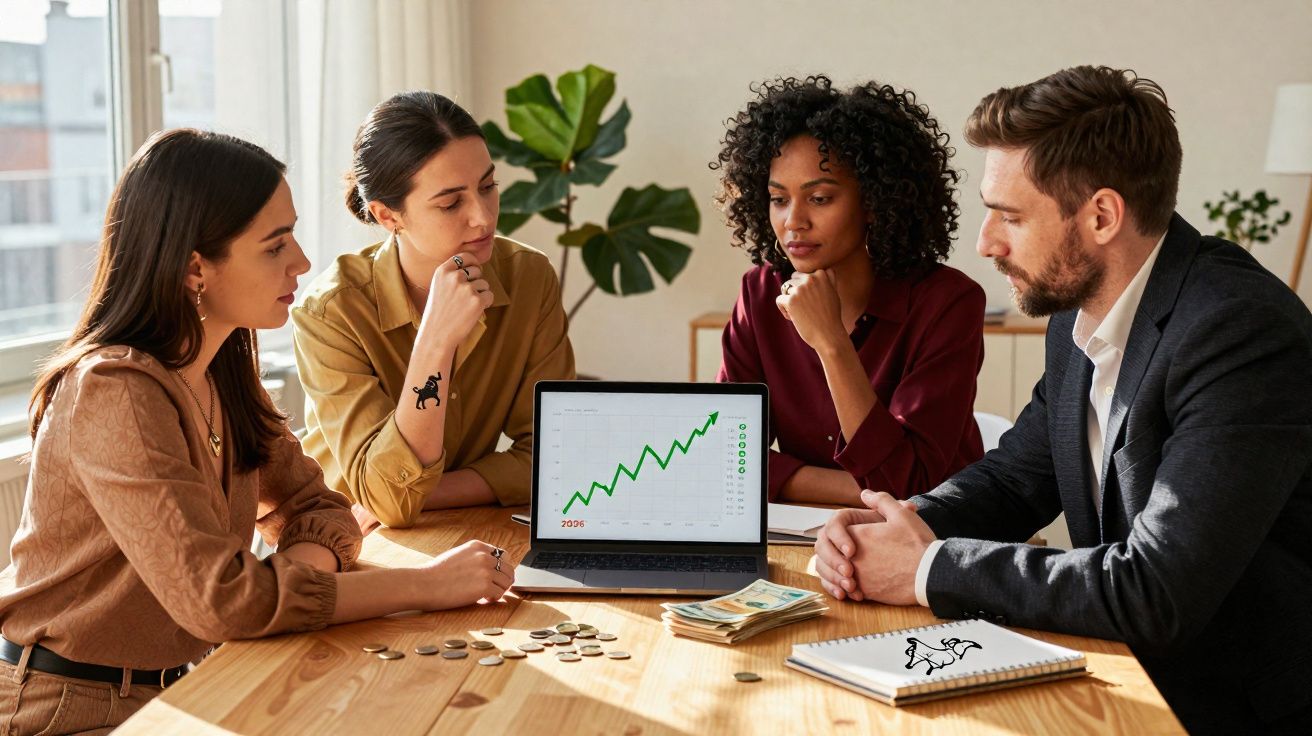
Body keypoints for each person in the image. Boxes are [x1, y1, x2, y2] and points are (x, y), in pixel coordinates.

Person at [814, 66, 1312, 734]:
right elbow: (1018, 477)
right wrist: (899, 526)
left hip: (1229, 708)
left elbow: (1155, 591)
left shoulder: (1240, 331)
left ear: (1101, 215)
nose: (986, 243)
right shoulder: (1078, 314)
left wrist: (928, 568)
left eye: (1010, 216)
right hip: (1125, 676)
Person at [0, 130, 515, 734]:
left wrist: (290, 578)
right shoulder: (115, 390)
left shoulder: (221, 366)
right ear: (196, 267)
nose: (300, 260)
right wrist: (426, 586)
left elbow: (319, 504)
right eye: (275, 246)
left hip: (191, 682)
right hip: (64, 707)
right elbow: (222, 601)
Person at [292, 91, 575, 529]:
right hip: (350, 542)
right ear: (388, 216)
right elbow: (387, 499)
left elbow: (555, 457)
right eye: (450, 203)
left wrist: (432, 492)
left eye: (488, 187)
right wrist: (437, 341)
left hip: (464, 525)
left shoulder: (528, 277)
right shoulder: (331, 312)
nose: (483, 217)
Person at [712, 75, 985, 505]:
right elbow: (725, 455)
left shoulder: (947, 303)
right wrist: (856, 490)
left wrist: (832, 344)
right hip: (805, 536)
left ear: (873, 202)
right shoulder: (760, 292)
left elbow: (911, 481)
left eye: (819, 198)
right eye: (778, 199)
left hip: (929, 544)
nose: (793, 222)